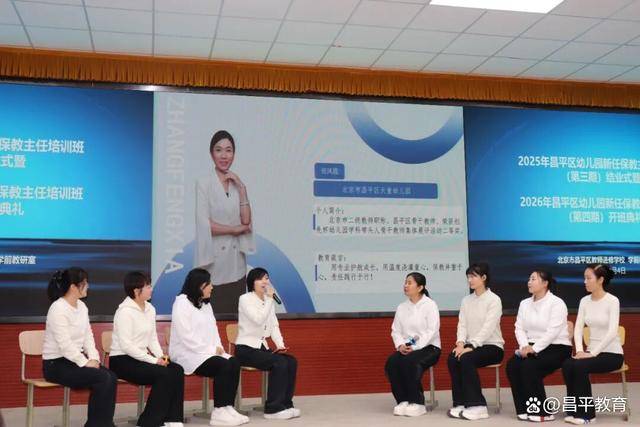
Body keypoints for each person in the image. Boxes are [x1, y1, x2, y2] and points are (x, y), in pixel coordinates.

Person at [169, 268, 248, 426]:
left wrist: (219, 348)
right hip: (187, 353)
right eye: (209, 284)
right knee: (223, 365)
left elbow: (214, 330)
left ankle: (227, 407)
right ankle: (219, 412)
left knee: (233, 362)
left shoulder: (206, 304)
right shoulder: (181, 303)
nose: (212, 287)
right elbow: (186, 337)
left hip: (206, 352)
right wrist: (211, 350)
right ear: (199, 285)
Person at [42, 268, 117, 427]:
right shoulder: (58, 308)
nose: (88, 286)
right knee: (102, 378)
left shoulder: (82, 306)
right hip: (56, 364)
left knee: (111, 376)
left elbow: (88, 336)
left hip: (74, 361)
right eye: (84, 283)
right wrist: (84, 362)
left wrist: (94, 358)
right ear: (73, 287)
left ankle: (102, 424)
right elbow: (65, 345)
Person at [109, 272, 184, 427]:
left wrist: (162, 357)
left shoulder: (150, 308)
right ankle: (149, 422)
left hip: (140, 358)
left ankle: (173, 418)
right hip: (122, 360)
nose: (151, 289)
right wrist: (154, 361)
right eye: (148, 286)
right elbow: (127, 346)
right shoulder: (124, 312)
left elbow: (152, 338)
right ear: (137, 291)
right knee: (163, 374)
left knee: (176, 369)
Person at [195, 130, 255, 315]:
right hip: (215, 264)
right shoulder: (204, 183)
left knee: (237, 319)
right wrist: (234, 230)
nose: (224, 155)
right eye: (218, 150)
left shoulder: (237, 183)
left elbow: (246, 220)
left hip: (237, 264)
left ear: (234, 154)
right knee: (213, 318)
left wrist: (242, 188)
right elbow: (205, 224)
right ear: (211, 153)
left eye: (229, 150)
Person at [506, 270, 572, 423]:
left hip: (558, 347)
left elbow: (553, 332)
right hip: (531, 346)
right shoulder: (524, 303)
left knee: (529, 366)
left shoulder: (556, 303)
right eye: (529, 279)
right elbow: (519, 328)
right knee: (513, 365)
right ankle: (524, 408)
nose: (529, 282)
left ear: (545, 283)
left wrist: (533, 349)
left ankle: (543, 412)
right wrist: (524, 346)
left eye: (533, 279)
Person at [562, 264, 624, 425]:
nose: (585, 282)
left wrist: (592, 353)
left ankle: (587, 415)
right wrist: (580, 351)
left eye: (588, 278)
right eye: (584, 278)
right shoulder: (584, 301)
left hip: (612, 354)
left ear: (600, 280)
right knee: (568, 364)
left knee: (580, 366)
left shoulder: (612, 301)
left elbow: (612, 332)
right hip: (589, 353)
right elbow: (578, 328)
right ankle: (574, 411)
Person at [234, 267, 300, 420]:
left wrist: (280, 345)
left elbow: (274, 325)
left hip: (261, 348)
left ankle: (285, 404)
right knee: (279, 363)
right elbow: (258, 319)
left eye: (267, 278)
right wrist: (269, 300)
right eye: (261, 279)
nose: (265, 281)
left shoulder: (268, 301)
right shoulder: (245, 299)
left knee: (291, 361)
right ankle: (273, 409)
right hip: (245, 349)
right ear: (252, 282)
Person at [448, 263, 504, 420]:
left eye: (473, 276)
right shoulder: (466, 300)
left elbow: (488, 327)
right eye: (468, 277)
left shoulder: (494, 300)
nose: (470, 280)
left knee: (466, 359)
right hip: (470, 345)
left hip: (492, 346)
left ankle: (478, 405)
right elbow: (462, 324)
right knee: (453, 358)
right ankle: (461, 403)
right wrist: (460, 343)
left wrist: (471, 345)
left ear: (484, 277)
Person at [385, 272, 441, 417]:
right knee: (392, 362)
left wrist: (415, 347)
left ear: (420, 287)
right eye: (405, 282)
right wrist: (400, 345)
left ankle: (417, 402)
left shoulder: (430, 305)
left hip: (430, 347)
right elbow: (396, 331)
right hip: (407, 348)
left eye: (409, 283)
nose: (406, 285)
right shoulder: (402, 307)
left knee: (410, 362)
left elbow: (432, 331)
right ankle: (403, 400)